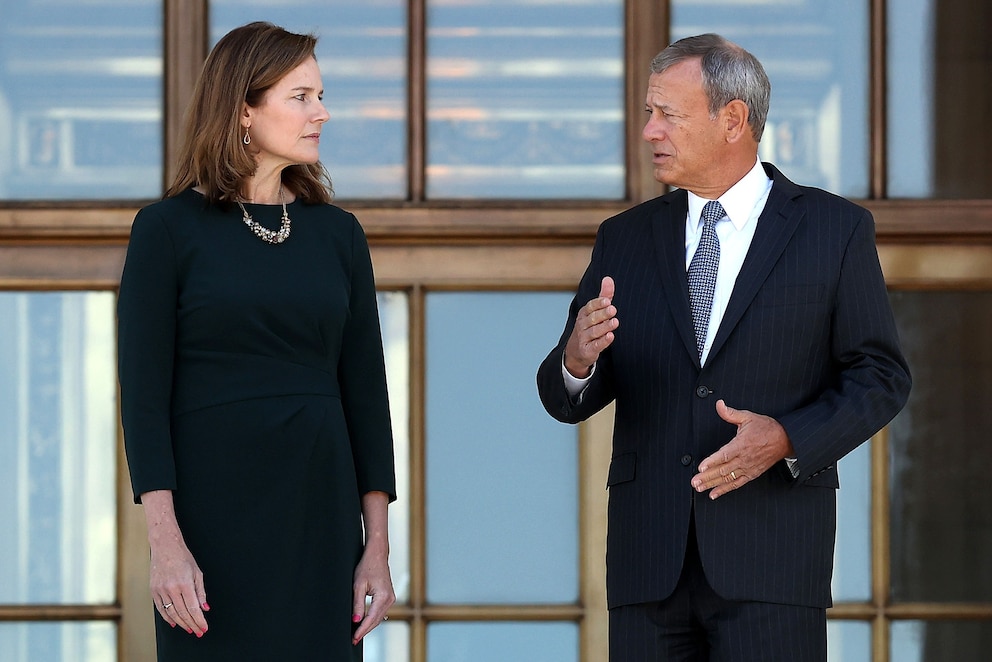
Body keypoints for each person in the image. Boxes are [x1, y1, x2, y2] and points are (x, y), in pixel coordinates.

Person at [537, 33, 911, 661]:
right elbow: (567, 394)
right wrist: (577, 358)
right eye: (648, 114)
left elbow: (880, 376)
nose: (651, 131)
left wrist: (789, 437)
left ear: (733, 118)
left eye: (668, 114)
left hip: (773, 558)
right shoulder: (625, 238)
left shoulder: (834, 229)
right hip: (648, 563)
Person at [117, 22, 396, 661]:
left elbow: (368, 396)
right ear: (244, 107)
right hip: (210, 521)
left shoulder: (339, 235)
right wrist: (166, 543)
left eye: (320, 95)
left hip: (319, 516)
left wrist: (374, 547)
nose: (321, 112)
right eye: (301, 97)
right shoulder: (166, 231)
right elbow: (143, 397)